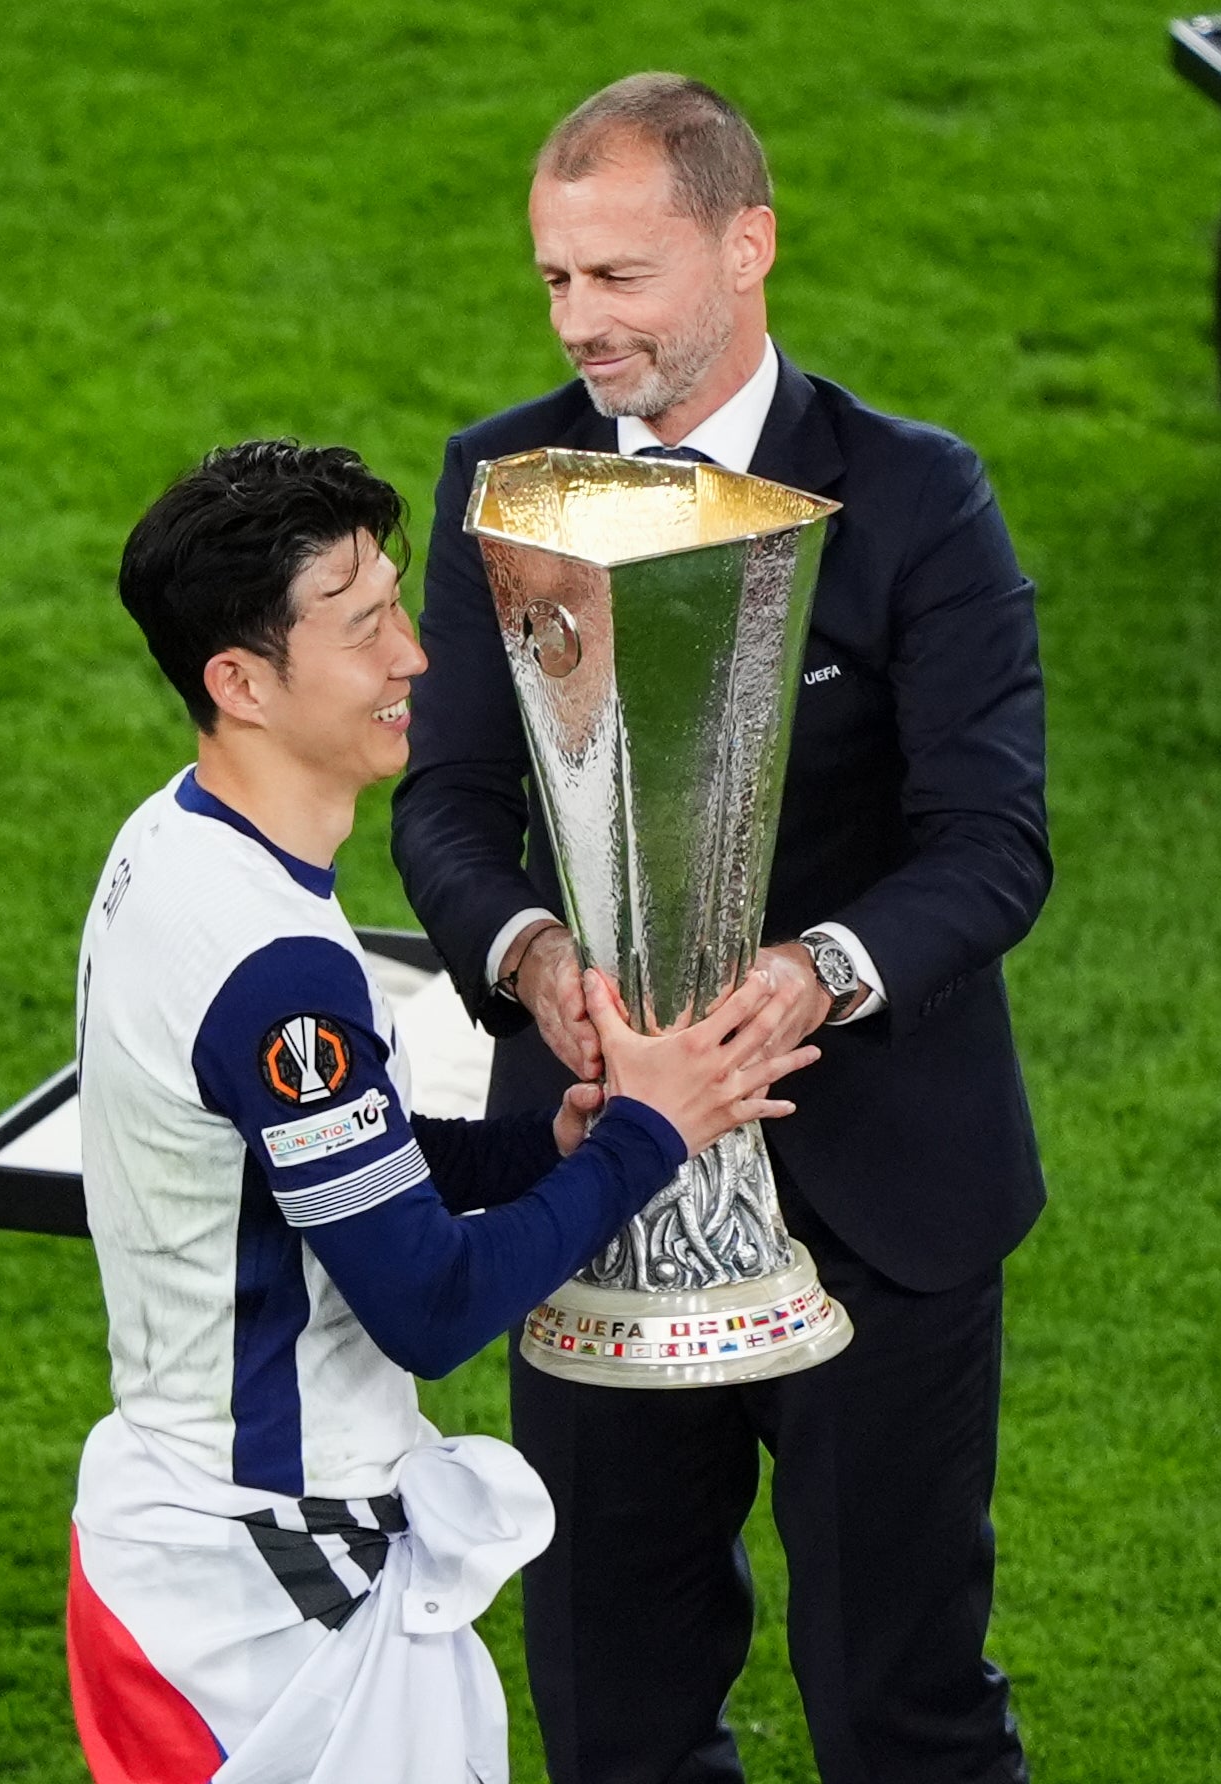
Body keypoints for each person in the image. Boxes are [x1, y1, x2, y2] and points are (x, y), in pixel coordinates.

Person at [392, 74, 1050, 1784]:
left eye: (619, 278)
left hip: (877, 1203)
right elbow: (446, 804)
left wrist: (804, 981)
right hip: (592, 1160)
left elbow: (990, 846)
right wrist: (538, 960)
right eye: (553, 280)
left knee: (898, 1710)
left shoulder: (917, 497)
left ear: (745, 246)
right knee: (614, 1712)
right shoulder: (499, 477)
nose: (577, 321)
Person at [67, 438, 818, 1784]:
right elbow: (428, 1302)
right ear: (239, 682)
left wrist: (552, 1144)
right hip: (267, 1594)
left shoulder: (172, 842)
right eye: (361, 630)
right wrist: (656, 1133)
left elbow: (312, 1173)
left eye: (400, 607)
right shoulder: (278, 971)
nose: (413, 658)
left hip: (192, 1539)